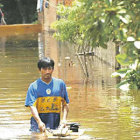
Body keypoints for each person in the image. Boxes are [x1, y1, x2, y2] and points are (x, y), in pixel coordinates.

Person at [25, 57, 69, 132]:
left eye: (49, 68)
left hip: (54, 123)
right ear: (39, 70)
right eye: (44, 69)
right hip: (37, 125)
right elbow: (32, 107)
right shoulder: (33, 86)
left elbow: (65, 104)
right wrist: (39, 122)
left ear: (53, 69)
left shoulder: (60, 84)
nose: (47, 71)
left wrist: (64, 119)